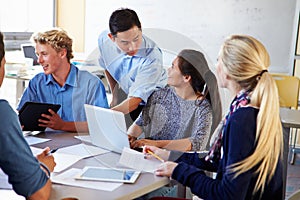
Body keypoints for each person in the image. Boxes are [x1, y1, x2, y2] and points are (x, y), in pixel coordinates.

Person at [144, 35, 283, 200]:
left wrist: (178, 171)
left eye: (219, 60)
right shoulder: (253, 108)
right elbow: (219, 162)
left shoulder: (242, 120)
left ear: (229, 72)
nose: (216, 66)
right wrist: (168, 155)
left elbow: (227, 195)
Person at [128, 49, 222, 152]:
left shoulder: (202, 107)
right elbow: (140, 124)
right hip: (148, 158)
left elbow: (198, 143)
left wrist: (156, 145)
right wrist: (130, 137)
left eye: (173, 67)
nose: (168, 69)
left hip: (175, 164)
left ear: (186, 77)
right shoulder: (159, 95)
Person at [17, 28, 109, 132]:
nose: (39, 60)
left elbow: (103, 124)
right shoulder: (37, 83)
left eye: (44, 54)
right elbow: (20, 115)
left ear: (62, 53)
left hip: (80, 145)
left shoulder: (91, 84)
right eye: (38, 54)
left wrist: (63, 126)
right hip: (46, 145)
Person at [0, 31, 56, 199]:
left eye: (43, 54)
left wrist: (28, 164)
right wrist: (43, 167)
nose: (39, 60)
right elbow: (39, 194)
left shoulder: (89, 83)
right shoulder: (2, 114)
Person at [98, 8, 167, 125]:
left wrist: (107, 116)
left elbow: (136, 100)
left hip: (153, 103)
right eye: (125, 42)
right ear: (112, 38)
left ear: (140, 30)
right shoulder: (104, 40)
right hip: (129, 95)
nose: (132, 47)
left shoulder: (152, 57)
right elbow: (107, 65)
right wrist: (115, 97)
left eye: (136, 39)